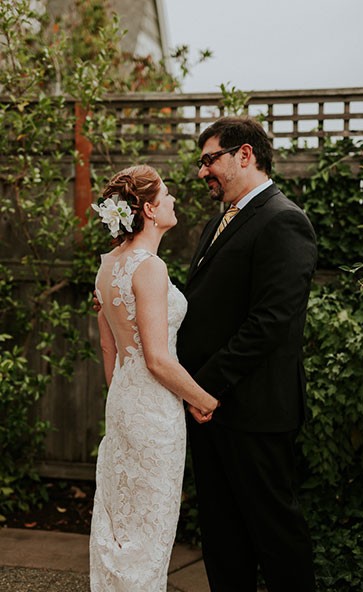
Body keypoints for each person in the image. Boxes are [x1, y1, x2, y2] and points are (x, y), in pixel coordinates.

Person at [177, 117, 317, 591]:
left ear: (244, 155)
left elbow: (271, 322)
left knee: (275, 535)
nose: (202, 173)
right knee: (221, 535)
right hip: (210, 410)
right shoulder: (220, 221)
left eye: (208, 160)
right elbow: (207, 307)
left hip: (254, 410)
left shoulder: (284, 220)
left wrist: (205, 388)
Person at [89, 165, 220, 591]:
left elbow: (110, 348)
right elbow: (158, 360)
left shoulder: (108, 265)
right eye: (167, 195)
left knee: (122, 521)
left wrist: (122, 397)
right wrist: (204, 399)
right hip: (154, 412)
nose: (173, 200)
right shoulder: (150, 268)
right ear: (148, 208)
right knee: (150, 527)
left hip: (124, 401)